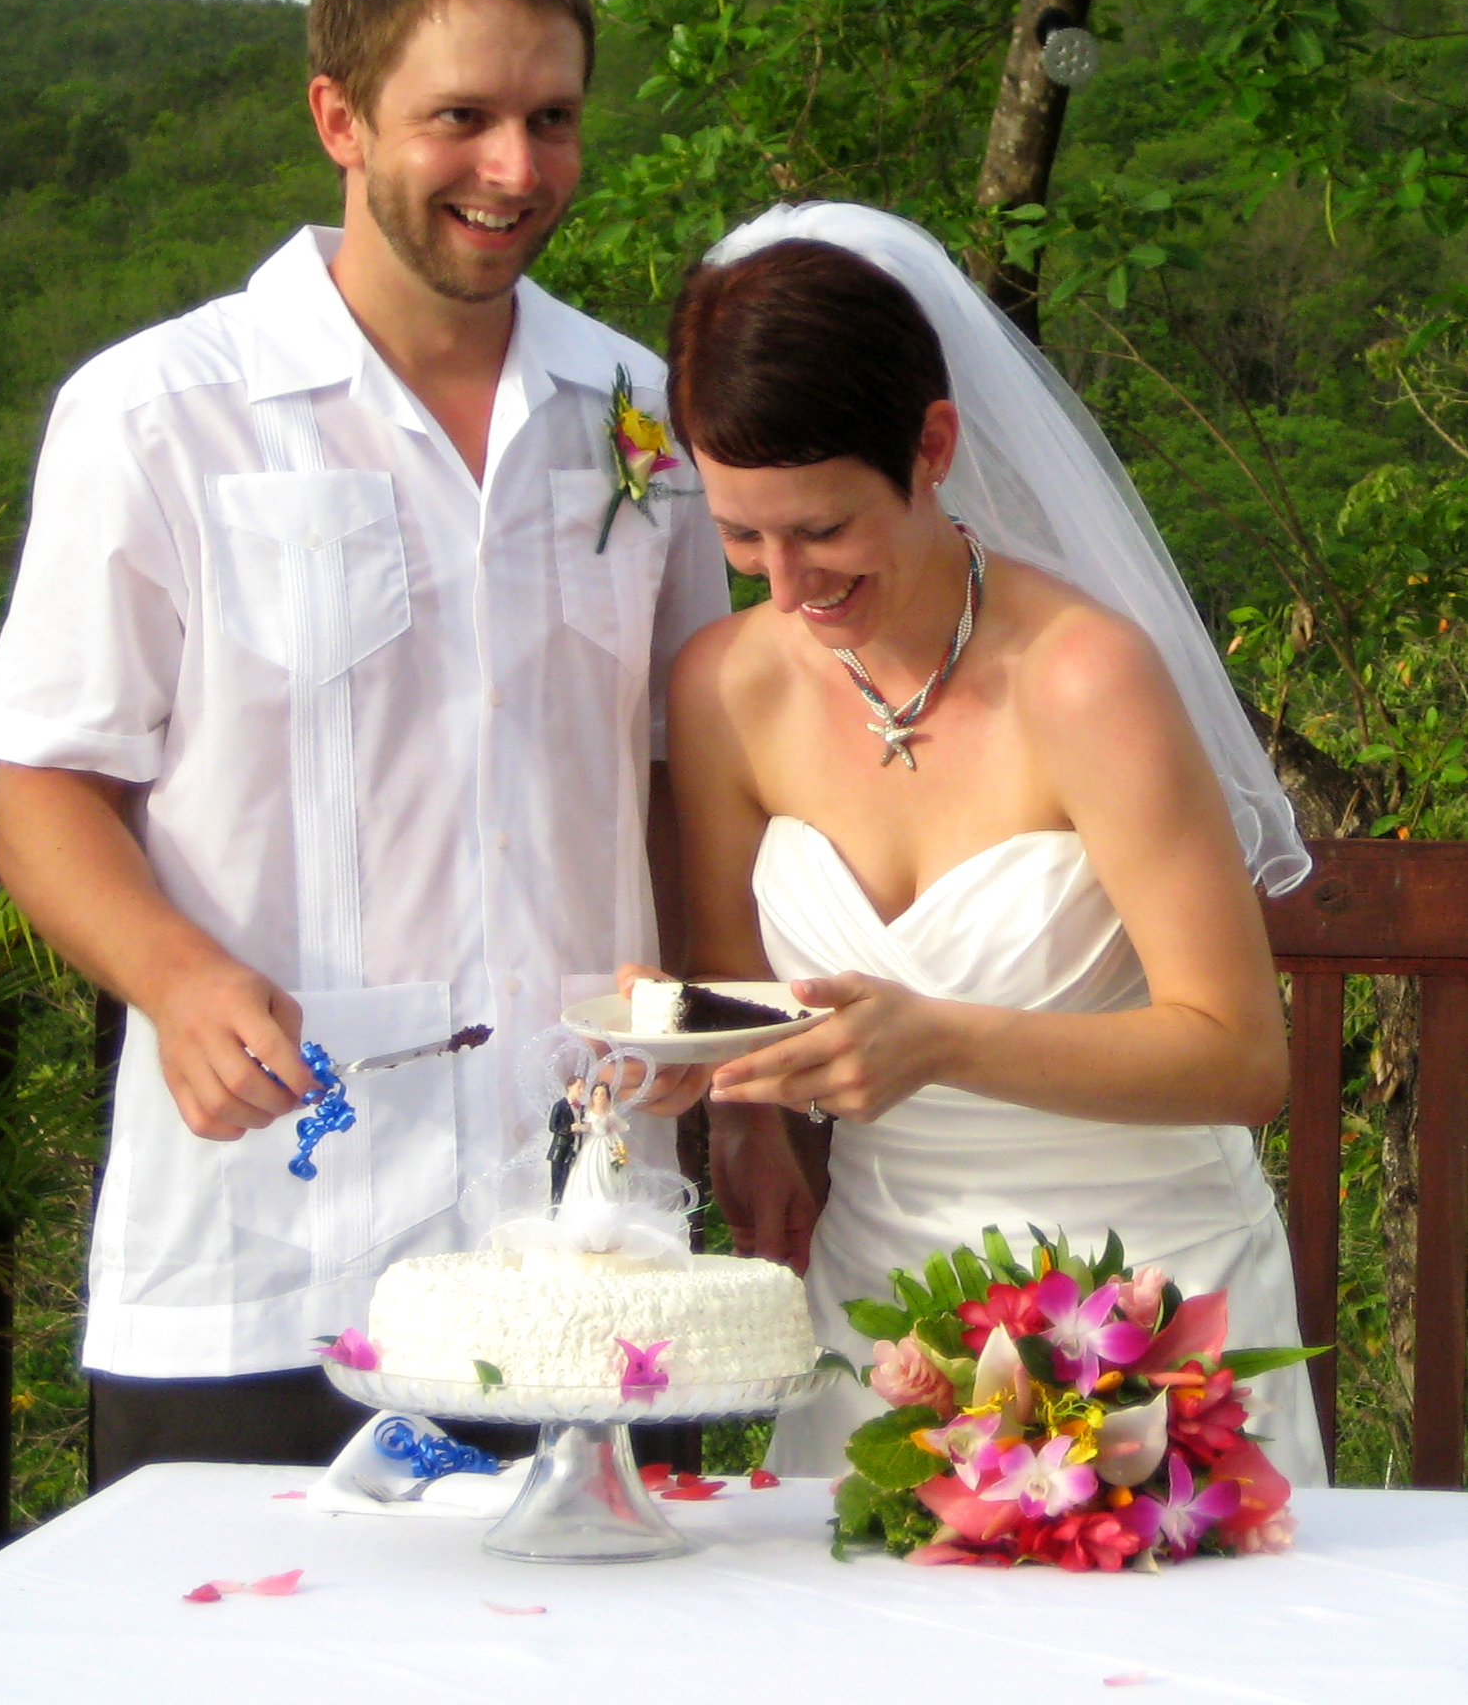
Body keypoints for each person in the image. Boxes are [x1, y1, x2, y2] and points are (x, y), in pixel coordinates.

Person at [0, 0, 727, 1482]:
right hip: (264, 1255)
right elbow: (46, 796)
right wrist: (175, 978)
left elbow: (682, 779)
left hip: (588, 1245)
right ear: (339, 118)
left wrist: (743, 1098)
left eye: (550, 119)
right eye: (460, 118)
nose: (513, 168)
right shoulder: (156, 413)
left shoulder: (638, 416)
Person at [643, 202, 1325, 1485]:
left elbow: (1240, 1058)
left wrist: (942, 1039)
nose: (784, 585)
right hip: (878, 1300)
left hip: (1138, 1299)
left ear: (932, 445)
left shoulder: (1083, 678)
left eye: (822, 528)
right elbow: (734, 1000)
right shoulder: (726, 685)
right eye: (741, 535)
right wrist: (736, 1118)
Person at [560, 1079, 632, 1208]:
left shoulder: (610, 1114)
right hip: (592, 1145)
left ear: (607, 1098)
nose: (599, 1097)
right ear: (592, 1097)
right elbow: (588, 1127)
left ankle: (609, 1198)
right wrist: (580, 1127)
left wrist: (612, 1131)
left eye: (602, 1094)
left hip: (607, 1144)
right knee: (590, 1169)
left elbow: (624, 1126)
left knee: (607, 1171)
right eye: (596, 1094)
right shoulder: (588, 1113)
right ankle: (589, 1198)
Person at [547, 1073, 587, 1209]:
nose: (581, 1091)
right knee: (558, 1183)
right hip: (560, 1150)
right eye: (579, 1087)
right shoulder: (560, 1105)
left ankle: (565, 1208)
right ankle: (554, 1209)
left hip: (574, 1150)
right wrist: (569, 1128)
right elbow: (553, 1127)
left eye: (583, 1088)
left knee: (570, 1181)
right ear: (570, 1087)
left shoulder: (581, 1108)